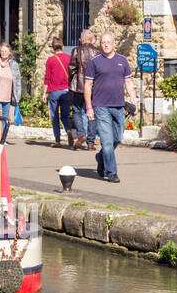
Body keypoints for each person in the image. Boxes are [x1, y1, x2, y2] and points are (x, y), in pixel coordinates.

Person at [83, 32, 137, 183]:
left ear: (114, 43)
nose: (106, 44)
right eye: (103, 42)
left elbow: (129, 84)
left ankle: (101, 157)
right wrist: (89, 107)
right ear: (100, 44)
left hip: (118, 106)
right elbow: (88, 86)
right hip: (101, 106)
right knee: (106, 141)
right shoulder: (94, 62)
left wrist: (134, 103)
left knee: (117, 138)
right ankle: (111, 172)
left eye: (109, 42)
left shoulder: (122, 60)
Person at [67, 29, 99, 151]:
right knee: (92, 114)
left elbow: (71, 68)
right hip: (93, 87)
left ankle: (81, 134)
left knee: (77, 111)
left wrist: (71, 80)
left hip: (79, 86)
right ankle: (90, 143)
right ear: (92, 40)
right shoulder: (98, 52)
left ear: (82, 39)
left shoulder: (76, 50)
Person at [44, 37, 75, 148]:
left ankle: (57, 141)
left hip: (54, 91)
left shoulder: (50, 60)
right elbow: (72, 74)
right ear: (62, 46)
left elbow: (47, 78)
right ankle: (68, 130)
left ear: (53, 48)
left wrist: (44, 93)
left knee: (54, 116)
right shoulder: (69, 58)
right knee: (65, 116)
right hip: (66, 90)